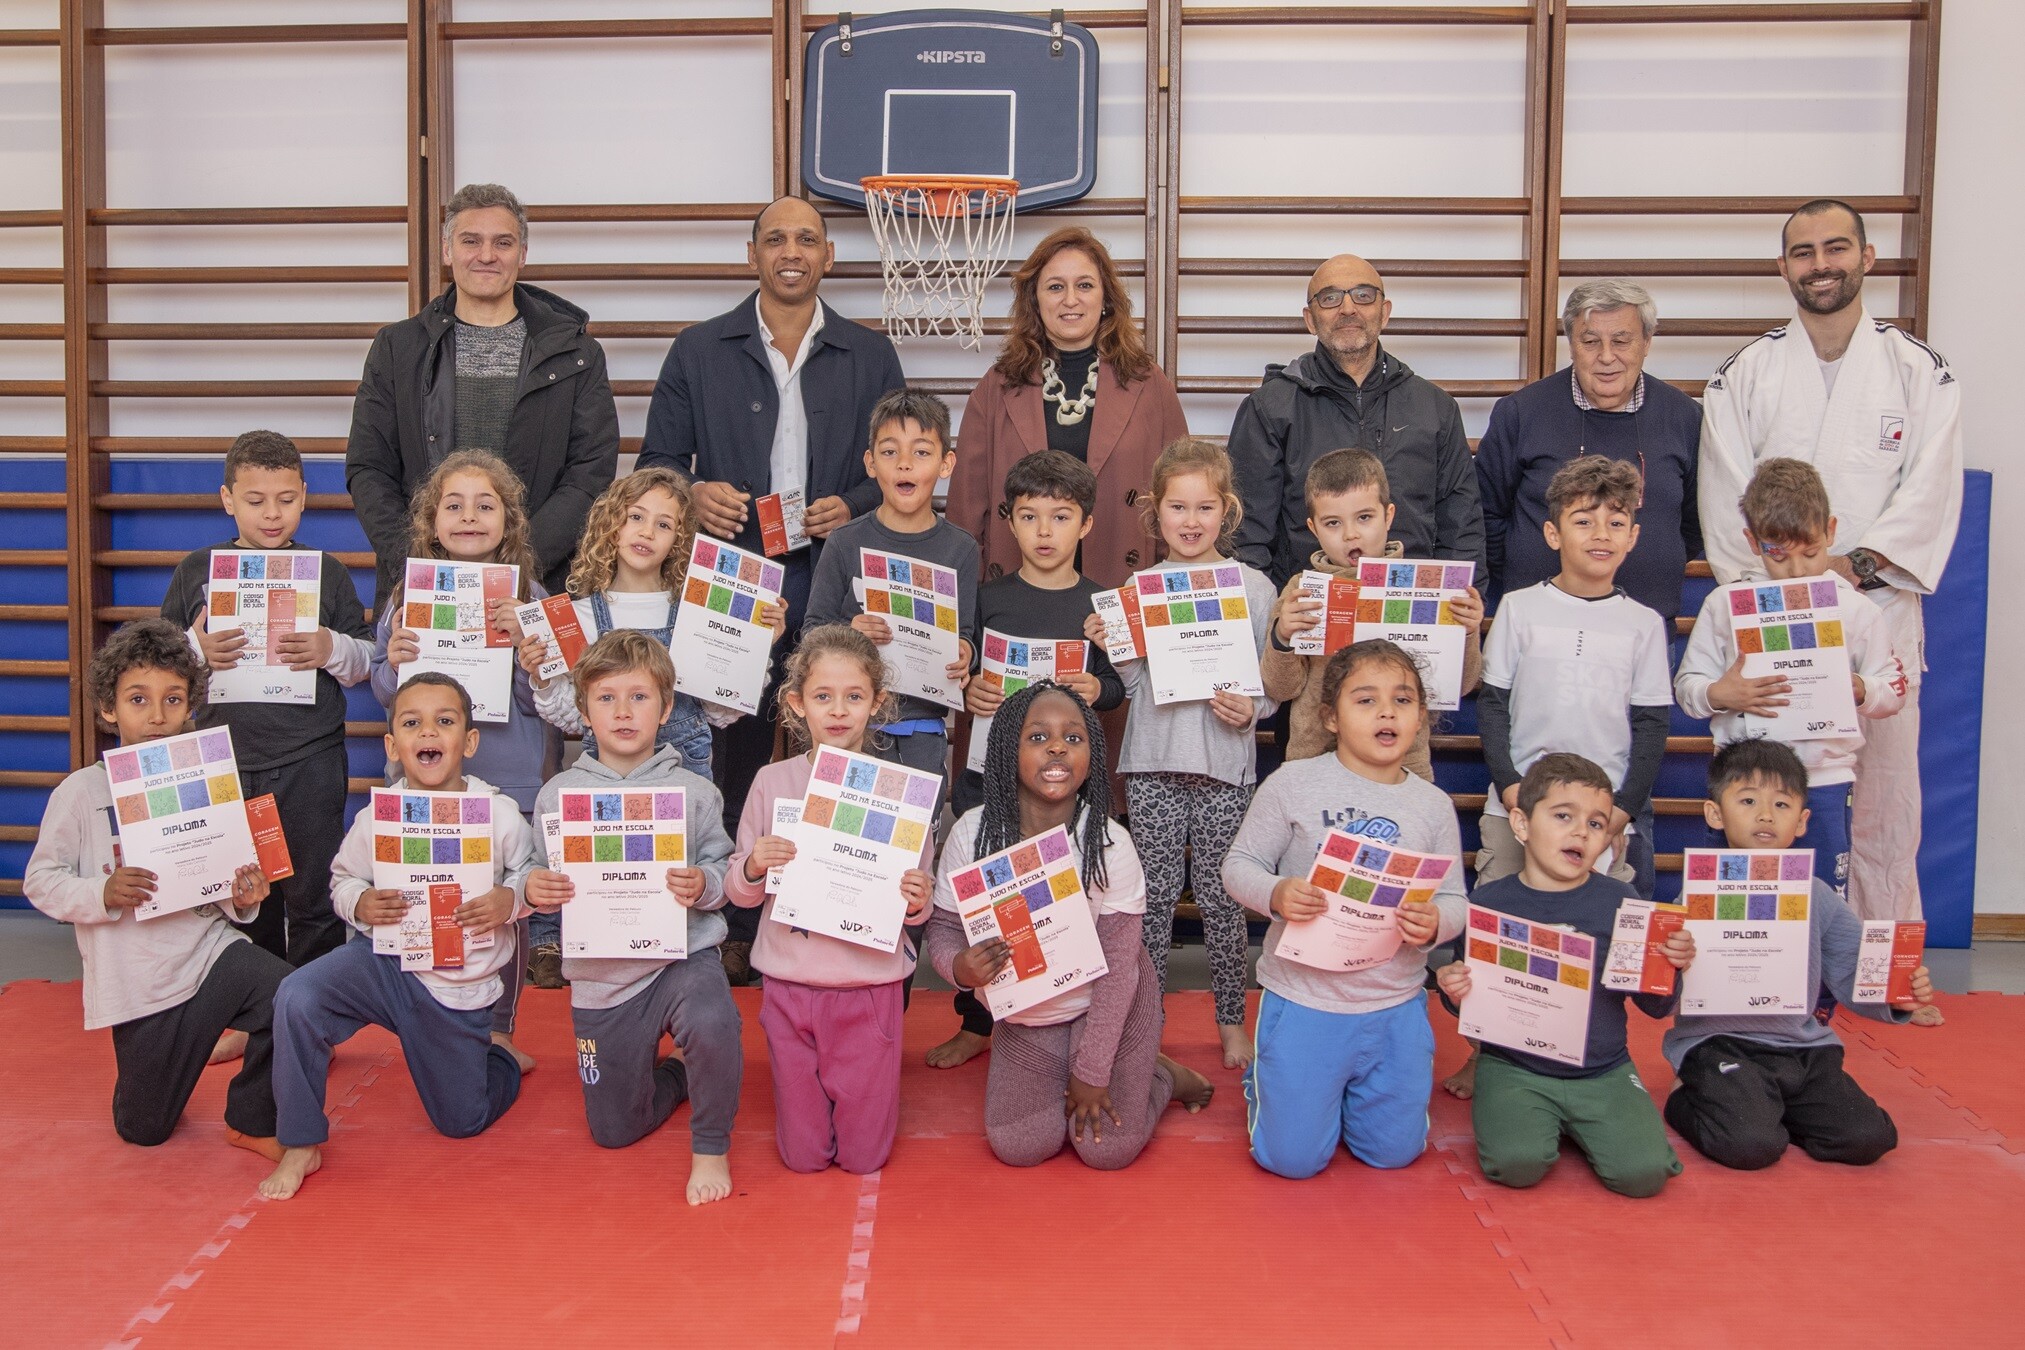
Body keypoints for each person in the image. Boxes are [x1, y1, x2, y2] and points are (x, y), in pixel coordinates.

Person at [1699, 199, 1963, 933]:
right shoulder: (1744, 375)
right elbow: (1726, 502)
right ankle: (1772, 957)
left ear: (1866, 257)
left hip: (1876, 608)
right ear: (1783, 267)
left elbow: (1930, 491)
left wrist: (1847, 569)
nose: (1821, 264)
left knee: (1886, 798)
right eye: (1803, 252)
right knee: (1772, 794)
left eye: (1836, 247)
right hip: (1773, 622)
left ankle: (1885, 961)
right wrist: (1784, 588)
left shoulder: (1919, 371)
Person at [636, 196, 904, 825]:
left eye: (807, 240)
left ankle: (837, 866)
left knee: (842, 716)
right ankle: (736, 870)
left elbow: (897, 469)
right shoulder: (698, 349)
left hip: (833, 568)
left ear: (828, 256)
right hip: (732, 568)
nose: (792, 252)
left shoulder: (870, 354)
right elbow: (658, 461)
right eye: (776, 239)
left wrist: (854, 503)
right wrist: (693, 492)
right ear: (751, 254)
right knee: (732, 730)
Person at [24, 621, 290, 1175]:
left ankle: (252, 1117)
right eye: (138, 699)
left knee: (291, 996)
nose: (157, 716)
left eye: (173, 699)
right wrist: (101, 890)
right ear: (109, 709)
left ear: (190, 707)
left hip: (207, 953)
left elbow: (222, 886)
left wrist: (244, 897)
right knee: (144, 1130)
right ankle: (162, 1076)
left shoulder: (210, 782)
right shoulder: (81, 792)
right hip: (138, 986)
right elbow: (40, 880)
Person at [262, 671, 537, 1199]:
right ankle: (300, 1140)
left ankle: (500, 1055)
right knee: (296, 995)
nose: (428, 732)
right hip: (382, 963)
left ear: (469, 742)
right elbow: (343, 879)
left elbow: (532, 877)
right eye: (412, 723)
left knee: (461, 1122)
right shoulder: (378, 817)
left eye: (444, 721)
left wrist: (511, 899)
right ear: (392, 746)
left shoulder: (498, 816)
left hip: (452, 986)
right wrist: (360, 903)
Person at [925, 682, 1214, 1168]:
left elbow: (1119, 970)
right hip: (1026, 1013)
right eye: (1038, 737)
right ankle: (1114, 1066)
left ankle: (1162, 1076)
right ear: (1007, 750)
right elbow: (944, 928)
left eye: (1073, 738)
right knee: (1019, 1146)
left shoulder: (1110, 843)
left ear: (1091, 756)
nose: (1057, 747)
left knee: (1107, 1150)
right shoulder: (972, 833)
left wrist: (1094, 1072)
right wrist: (958, 968)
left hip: (1106, 1004)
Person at [519, 468, 784, 988]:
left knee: (684, 878)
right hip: (603, 780)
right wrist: (542, 676)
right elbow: (570, 715)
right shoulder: (576, 616)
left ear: (680, 539)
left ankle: (698, 956)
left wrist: (757, 649)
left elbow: (721, 713)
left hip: (686, 778)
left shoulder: (699, 613)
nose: (646, 531)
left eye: (664, 524)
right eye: (636, 516)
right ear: (611, 524)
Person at [1221, 640, 1467, 1179]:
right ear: (1331, 717)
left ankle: (1348, 1096)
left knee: (1394, 1155)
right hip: (1304, 1001)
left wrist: (1435, 924)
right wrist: (1277, 893)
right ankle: (1271, 1083)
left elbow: (1454, 898)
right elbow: (1238, 866)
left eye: (1402, 700)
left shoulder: (1432, 804)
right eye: (1366, 699)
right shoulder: (1292, 783)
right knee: (1291, 1161)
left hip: (1395, 1006)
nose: (1387, 712)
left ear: (1421, 717)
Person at [524, 633, 742, 1206]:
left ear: (666, 709)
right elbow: (533, 874)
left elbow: (721, 868)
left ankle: (711, 1145)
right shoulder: (557, 796)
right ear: (583, 709)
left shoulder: (695, 792)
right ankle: (677, 1075)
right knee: (614, 1130)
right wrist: (534, 888)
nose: (623, 712)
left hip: (682, 959)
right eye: (607, 698)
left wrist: (704, 884)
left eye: (639, 697)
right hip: (603, 979)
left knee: (714, 1020)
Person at [928, 451, 1127, 1071]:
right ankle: (977, 1021)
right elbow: (960, 670)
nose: (1045, 531)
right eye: (1030, 516)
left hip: (1065, 788)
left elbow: (1120, 685)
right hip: (989, 776)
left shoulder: (1101, 604)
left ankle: (1063, 1013)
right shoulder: (987, 599)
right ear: (1009, 521)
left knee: (1058, 904)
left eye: (1061, 517)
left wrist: (1098, 688)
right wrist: (970, 690)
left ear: (1086, 524)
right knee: (987, 905)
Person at [1662, 739, 1934, 1171]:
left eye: (1782, 804)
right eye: (1748, 801)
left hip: (1803, 1048)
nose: (1766, 815)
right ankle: (1685, 1096)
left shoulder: (1817, 895)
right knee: (1752, 1145)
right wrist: (1675, 959)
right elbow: (1668, 986)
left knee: (1869, 1138)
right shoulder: (1698, 892)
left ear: (1802, 821)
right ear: (1715, 813)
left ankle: (1770, 1103)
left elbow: (1855, 970)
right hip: (1718, 1044)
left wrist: (1897, 994)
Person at [1094, 438, 1277, 1071]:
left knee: (1225, 902)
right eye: (1178, 507)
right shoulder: (1139, 588)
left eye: (1205, 507)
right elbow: (1133, 686)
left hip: (1225, 769)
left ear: (1227, 509)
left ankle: (1231, 1022)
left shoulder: (1254, 588)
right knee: (1153, 902)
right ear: (1156, 510)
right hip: (1152, 765)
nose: (1191, 521)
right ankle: (1147, 1022)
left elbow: (1273, 684)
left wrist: (1253, 708)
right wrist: (1114, 644)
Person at [724, 626, 936, 1174]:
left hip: (870, 987)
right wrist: (753, 865)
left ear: (877, 702)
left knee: (866, 1159)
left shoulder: (902, 791)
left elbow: (920, 900)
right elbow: (737, 891)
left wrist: (917, 897)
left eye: (854, 696)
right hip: (789, 983)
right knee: (803, 1157)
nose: (838, 710)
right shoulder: (772, 781)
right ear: (797, 703)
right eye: (823, 696)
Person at [159, 429, 375, 966]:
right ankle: (257, 1003)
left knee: (313, 896)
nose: (272, 514)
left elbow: (367, 662)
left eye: (286, 499)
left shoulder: (327, 572)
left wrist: (330, 647)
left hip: (309, 759)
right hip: (224, 761)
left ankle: (312, 1005)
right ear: (228, 499)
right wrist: (196, 650)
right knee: (242, 897)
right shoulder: (196, 570)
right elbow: (158, 670)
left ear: (304, 496)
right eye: (255, 501)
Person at [346, 182, 618, 603]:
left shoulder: (576, 353)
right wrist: (419, 564)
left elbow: (590, 471)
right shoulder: (397, 348)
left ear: (522, 254)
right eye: (470, 241)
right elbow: (369, 468)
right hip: (422, 586)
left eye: (502, 243)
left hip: (537, 586)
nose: (487, 255)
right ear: (447, 250)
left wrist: (520, 564)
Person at [1435, 753, 1692, 1197]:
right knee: (1516, 1165)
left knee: (1644, 1175)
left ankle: (1583, 1122)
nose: (1580, 832)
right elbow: (1467, 1005)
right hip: (1515, 1068)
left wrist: (1671, 964)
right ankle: (1543, 1118)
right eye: (1563, 816)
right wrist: (1454, 989)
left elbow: (1656, 1006)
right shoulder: (1488, 904)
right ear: (1521, 824)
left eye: (1596, 823)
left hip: (1603, 1069)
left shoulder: (1623, 902)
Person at [370, 450, 555, 1068]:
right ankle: (429, 1020)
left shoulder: (530, 598)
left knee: (502, 909)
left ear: (509, 520)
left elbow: (548, 700)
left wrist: (526, 648)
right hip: (425, 784)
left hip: (509, 779)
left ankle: (499, 1029)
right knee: (426, 898)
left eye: (485, 505)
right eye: (453, 505)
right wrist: (394, 662)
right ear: (432, 520)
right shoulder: (407, 594)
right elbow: (384, 692)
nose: (469, 517)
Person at [1675, 458, 1907, 899]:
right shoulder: (1725, 604)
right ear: (1752, 542)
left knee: (1822, 902)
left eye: (1810, 552)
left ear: (1830, 532)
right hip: (1742, 781)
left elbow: (1894, 689)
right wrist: (1719, 693)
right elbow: (1688, 688)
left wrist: (1860, 689)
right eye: (1777, 554)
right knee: (1733, 902)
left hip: (1822, 779)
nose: (1796, 570)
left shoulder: (1856, 610)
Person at [944, 227, 1188, 588]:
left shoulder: (1149, 383)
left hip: (1121, 584)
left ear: (1105, 297)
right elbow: (966, 509)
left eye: (1084, 285)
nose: (1070, 299)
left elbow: (1182, 495)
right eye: (1056, 287)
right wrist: (968, 602)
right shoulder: (997, 386)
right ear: (1035, 299)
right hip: (1017, 586)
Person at [1476, 456, 1671, 898]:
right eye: (1583, 521)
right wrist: (1510, 789)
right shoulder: (1518, 608)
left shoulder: (1644, 623)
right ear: (1553, 533)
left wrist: (1621, 810)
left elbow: (1651, 724)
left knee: (1600, 927)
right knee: (1501, 922)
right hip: (1515, 810)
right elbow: (1492, 706)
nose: (1601, 534)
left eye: (1616, 523)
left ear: (1632, 537)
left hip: (1601, 819)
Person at [1226, 253, 1484, 586]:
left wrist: (1459, 600)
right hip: (1307, 606)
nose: (1348, 308)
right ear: (1310, 319)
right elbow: (1246, 537)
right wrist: (1270, 611)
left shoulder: (1435, 408)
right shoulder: (1269, 409)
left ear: (1384, 312)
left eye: (1363, 295)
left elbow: (1462, 529)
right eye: (1330, 298)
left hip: (1409, 604)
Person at [1475, 279, 1703, 624]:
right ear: (1571, 344)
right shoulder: (1521, 413)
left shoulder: (1684, 417)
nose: (1607, 357)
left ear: (1646, 342)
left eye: (1621, 341)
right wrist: (1528, 563)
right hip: (1538, 624)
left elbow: (1695, 520)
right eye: (1591, 341)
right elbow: (1485, 513)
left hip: (1647, 624)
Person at [802, 388, 978, 808]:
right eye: (889, 451)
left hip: (924, 730)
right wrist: (849, 633)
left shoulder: (962, 549)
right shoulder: (844, 542)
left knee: (916, 840)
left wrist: (965, 653)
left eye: (921, 452)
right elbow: (811, 633)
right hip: (852, 730)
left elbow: (967, 633)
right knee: (847, 835)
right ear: (870, 463)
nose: (904, 463)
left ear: (946, 463)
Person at [1262, 448, 1483, 779]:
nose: (1350, 534)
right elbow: (1280, 689)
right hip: (1316, 767)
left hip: (1404, 768)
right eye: (1333, 523)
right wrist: (1282, 638)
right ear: (1313, 528)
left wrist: (1466, 632)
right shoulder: (1301, 591)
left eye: (1364, 517)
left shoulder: (1427, 587)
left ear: (1388, 516)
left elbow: (1459, 685)